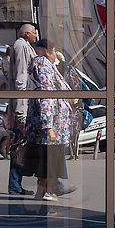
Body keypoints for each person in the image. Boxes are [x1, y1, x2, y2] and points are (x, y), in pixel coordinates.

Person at [21, 38, 72, 201]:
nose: (55, 55)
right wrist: (48, 126)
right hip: (51, 124)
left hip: (46, 123)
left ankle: (42, 193)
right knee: (50, 160)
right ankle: (47, 192)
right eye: (54, 51)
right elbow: (47, 95)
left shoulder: (41, 64)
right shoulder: (43, 65)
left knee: (45, 160)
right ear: (45, 50)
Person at [4, 23, 37, 195]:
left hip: (21, 105)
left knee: (20, 146)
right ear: (27, 34)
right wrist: (23, 108)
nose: (36, 35)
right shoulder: (22, 46)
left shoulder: (21, 45)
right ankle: (14, 185)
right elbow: (21, 78)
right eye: (34, 33)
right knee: (19, 146)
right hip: (22, 106)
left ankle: (16, 184)